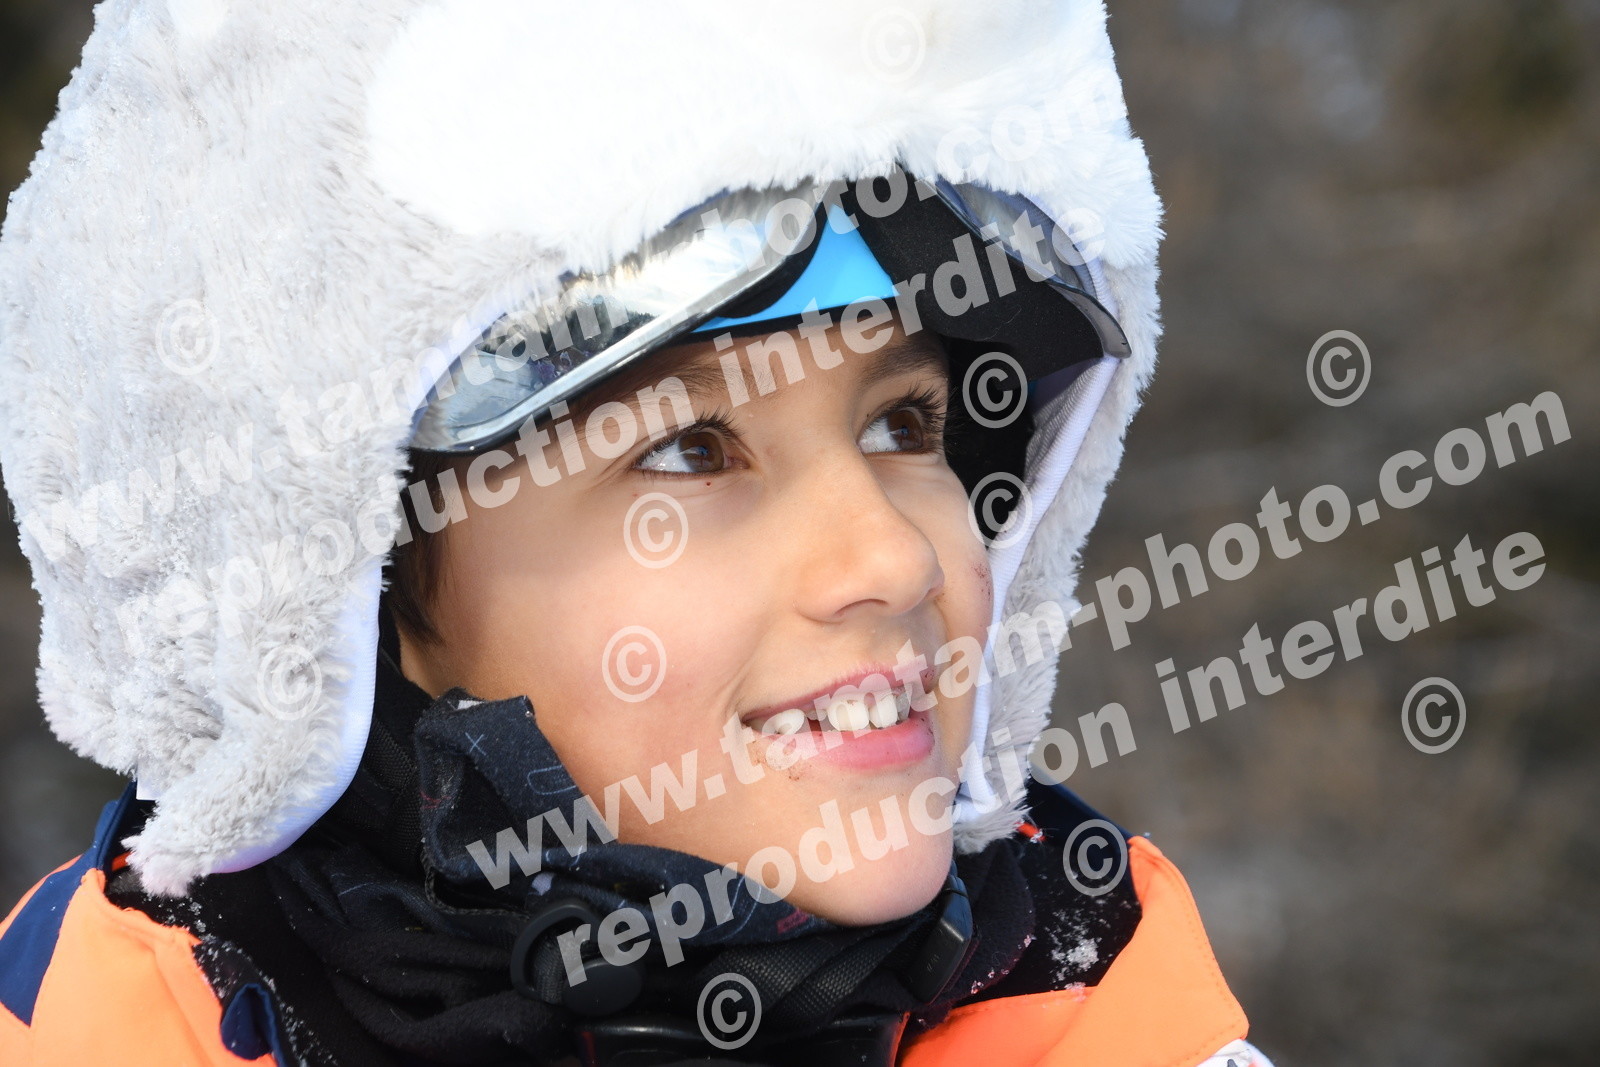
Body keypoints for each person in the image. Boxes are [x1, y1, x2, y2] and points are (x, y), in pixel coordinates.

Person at [0, 2, 1274, 1064]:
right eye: (690, 451)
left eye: (904, 424)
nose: (894, 559)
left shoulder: (1118, 1014)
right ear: (357, 599)